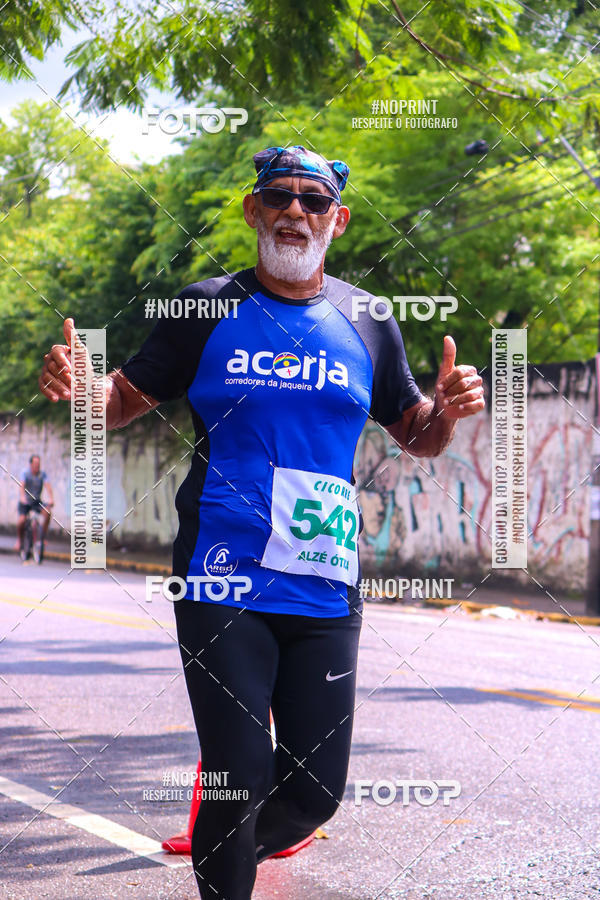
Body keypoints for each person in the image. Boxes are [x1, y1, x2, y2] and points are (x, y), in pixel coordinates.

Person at [38, 145, 485, 899]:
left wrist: (448, 412)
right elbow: (117, 403)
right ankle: (227, 840)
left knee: (315, 795)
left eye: (314, 201)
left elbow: (418, 433)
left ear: (337, 221)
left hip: (324, 580)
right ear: (253, 209)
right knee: (236, 776)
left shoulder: (369, 322)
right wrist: (80, 389)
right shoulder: (204, 308)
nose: (294, 212)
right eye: (278, 196)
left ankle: (230, 836)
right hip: (222, 577)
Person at [16, 454, 54, 556]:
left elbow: (48, 486)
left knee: (48, 512)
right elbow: (22, 486)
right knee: (22, 521)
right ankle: (20, 540)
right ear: (31, 464)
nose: (37, 465)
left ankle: (42, 537)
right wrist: (22, 497)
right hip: (25, 502)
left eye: (39, 463)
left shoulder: (42, 474)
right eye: (35, 463)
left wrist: (51, 499)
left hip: (37, 502)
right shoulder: (25, 473)